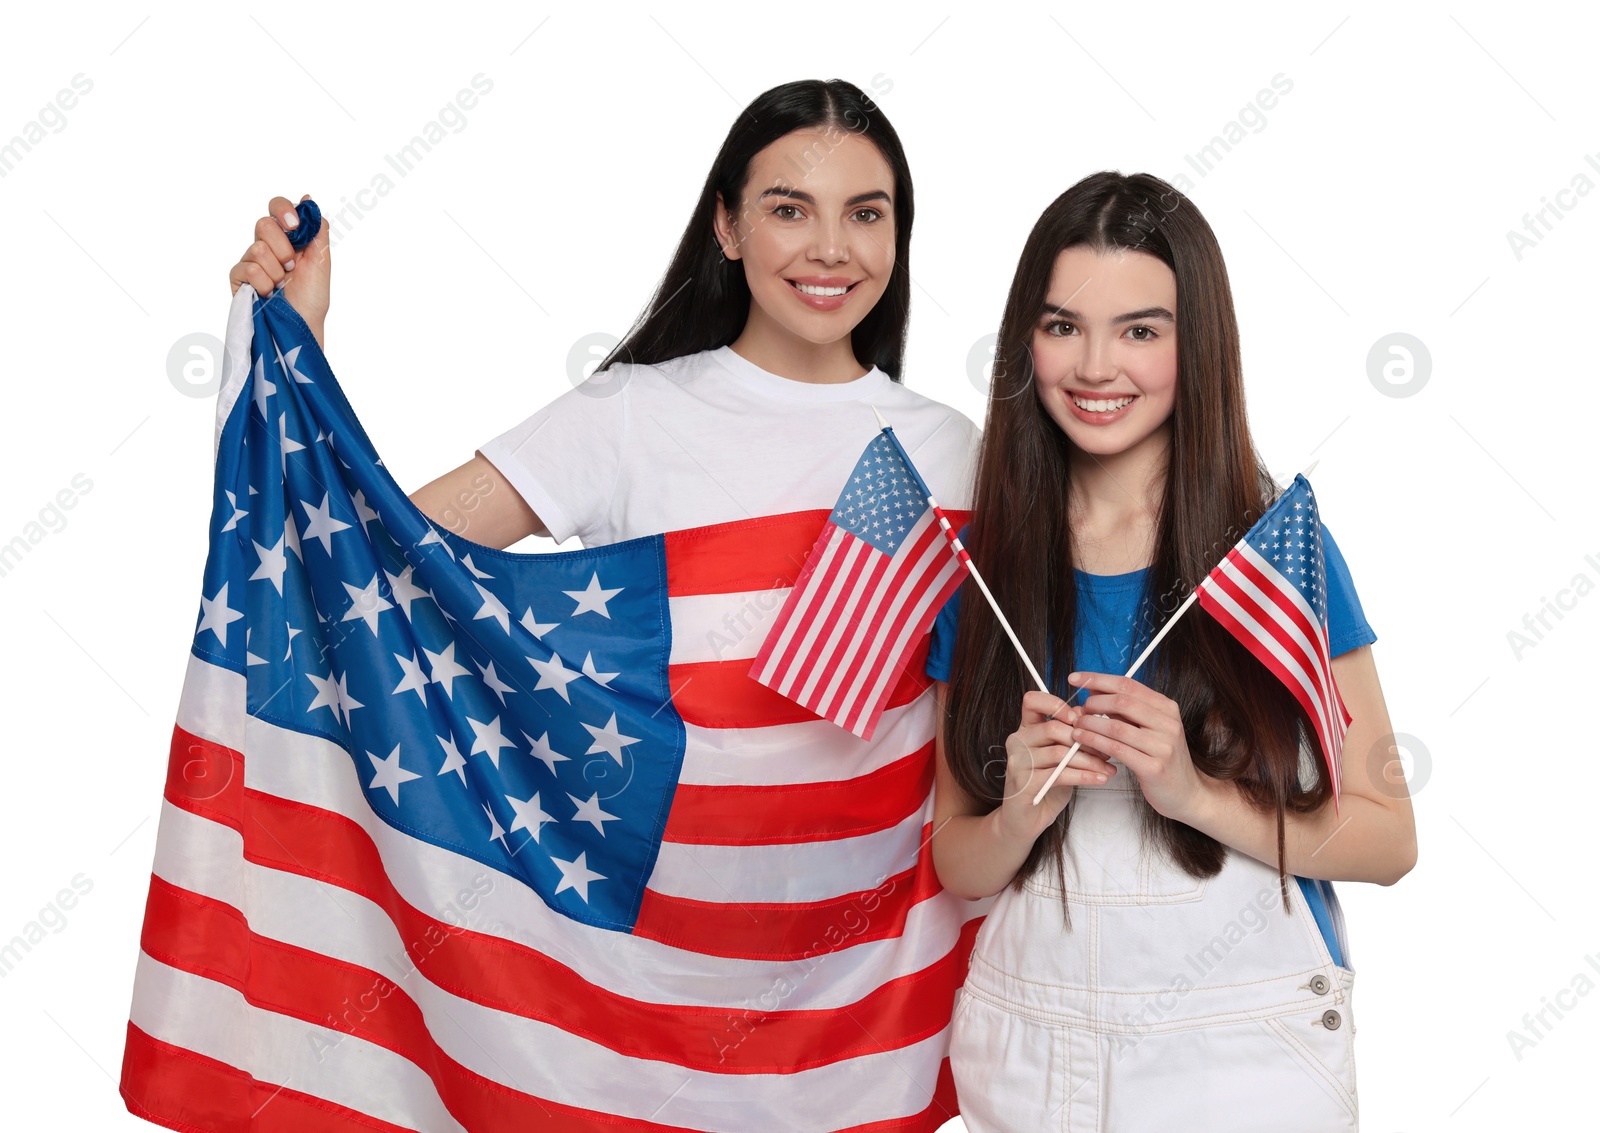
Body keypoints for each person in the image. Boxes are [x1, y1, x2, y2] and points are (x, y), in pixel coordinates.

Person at [226, 79, 983, 1127]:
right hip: (627, 997)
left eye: (866, 212)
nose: (831, 248)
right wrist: (301, 346)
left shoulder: (957, 450)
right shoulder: (629, 412)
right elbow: (370, 564)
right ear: (725, 224)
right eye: (787, 207)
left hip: (858, 1010)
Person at [925, 171, 1416, 1132]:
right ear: (1025, 339)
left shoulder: (1276, 556)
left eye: (1141, 330)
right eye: (1063, 325)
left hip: (1243, 1050)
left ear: (1198, 349)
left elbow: (1390, 839)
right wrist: (1021, 814)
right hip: (1031, 1047)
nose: (1096, 364)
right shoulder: (982, 565)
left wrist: (1193, 792)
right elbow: (957, 859)